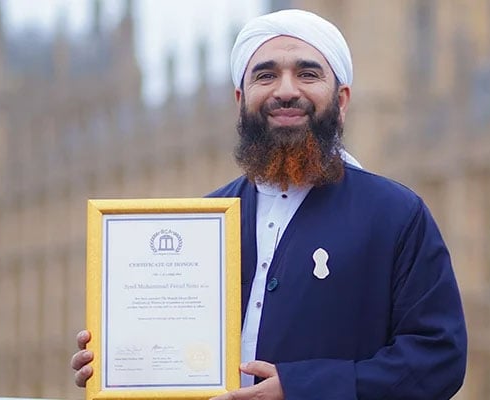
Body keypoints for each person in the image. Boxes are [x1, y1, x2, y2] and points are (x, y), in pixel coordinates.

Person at [71, 9, 467, 399]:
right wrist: (118, 365)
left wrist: (303, 389)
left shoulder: (395, 214)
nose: (286, 90)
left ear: (342, 100)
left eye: (308, 74)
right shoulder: (201, 221)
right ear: (241, 99)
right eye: (266, 75)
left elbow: (439, 359)